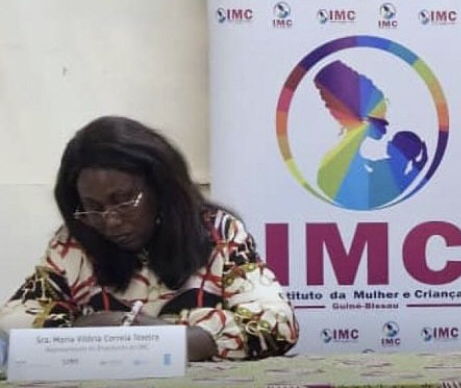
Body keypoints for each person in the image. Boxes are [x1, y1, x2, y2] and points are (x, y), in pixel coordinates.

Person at [0, 116, 298, 360]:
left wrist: (145, 334)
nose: (110, 220)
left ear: (159, 186)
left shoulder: (219, 234)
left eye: (124, 200)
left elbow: (277, 325)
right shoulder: (74, 245)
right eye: (94, 208)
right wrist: (86, 328)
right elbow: (12, 326)